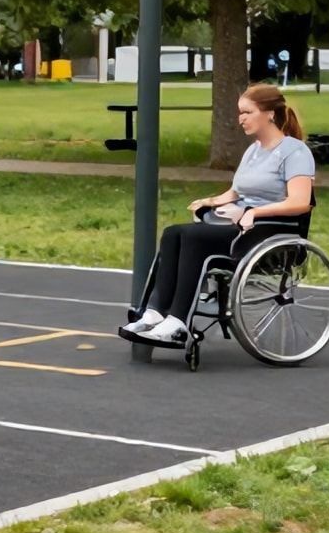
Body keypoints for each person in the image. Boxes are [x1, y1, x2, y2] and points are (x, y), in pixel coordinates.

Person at [121, 83, 314, 346]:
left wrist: (255, 211)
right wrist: (211, 200)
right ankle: (154, 313)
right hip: (242, 224)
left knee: (193, 238)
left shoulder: (296, 151)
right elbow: (237, 191)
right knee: (173, 233)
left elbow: (301, 203)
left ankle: (178, 323)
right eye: (239, 113)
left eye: (247, 112)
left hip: (268, 231)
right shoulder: (254, 150)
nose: (240, 119)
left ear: (269, 113)